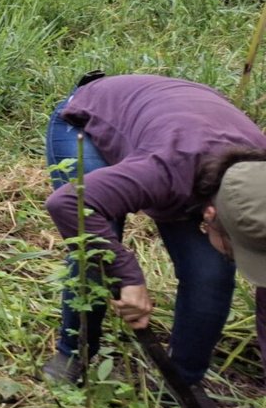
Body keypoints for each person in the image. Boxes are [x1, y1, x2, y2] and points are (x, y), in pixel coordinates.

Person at [42, 73, 266, 387]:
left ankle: (182, 383)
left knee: (210, 273)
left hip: (184, 128)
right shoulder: (165, 170)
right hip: (92, 118)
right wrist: (127, 275)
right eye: (237, 249)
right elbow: (68, 203)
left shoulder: (258, 186)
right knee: (96, 240)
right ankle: (73, 353)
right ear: (210, 215)